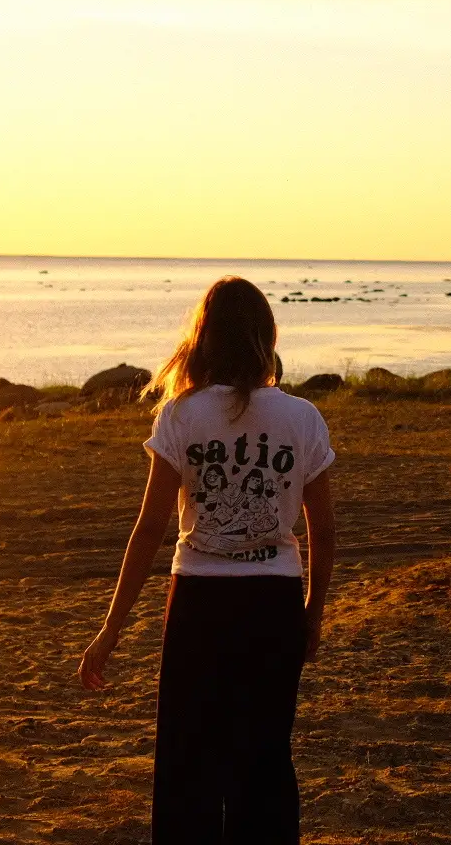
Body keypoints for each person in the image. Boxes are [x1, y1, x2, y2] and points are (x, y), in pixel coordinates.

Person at [78, 276, 337, 845]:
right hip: (274, 603)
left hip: (199, 602)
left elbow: (147, 532)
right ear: (266, 336)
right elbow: (323, 533)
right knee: (264, 762)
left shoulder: (182, 415)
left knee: (187, 766)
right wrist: (311, 613)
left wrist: (109, 632)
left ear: (203, 338)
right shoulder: (302, 417)